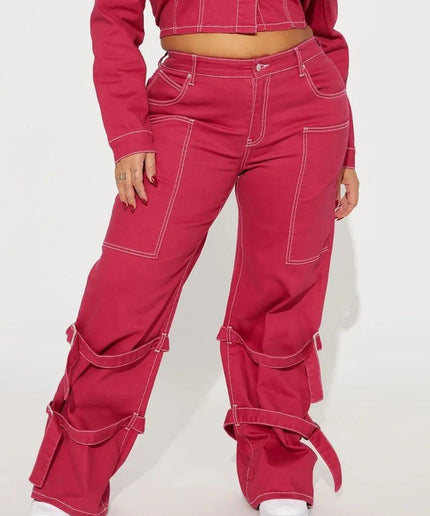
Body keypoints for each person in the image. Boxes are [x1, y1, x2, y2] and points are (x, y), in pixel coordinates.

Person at [28, 0, 360, 514]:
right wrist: (129, 133)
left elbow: (323, 29)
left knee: (285, 287)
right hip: (188, 104)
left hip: (305, 103)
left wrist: (347, 151)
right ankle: (73, 480)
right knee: (128, 285)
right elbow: (113, 20)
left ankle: (278, 469)